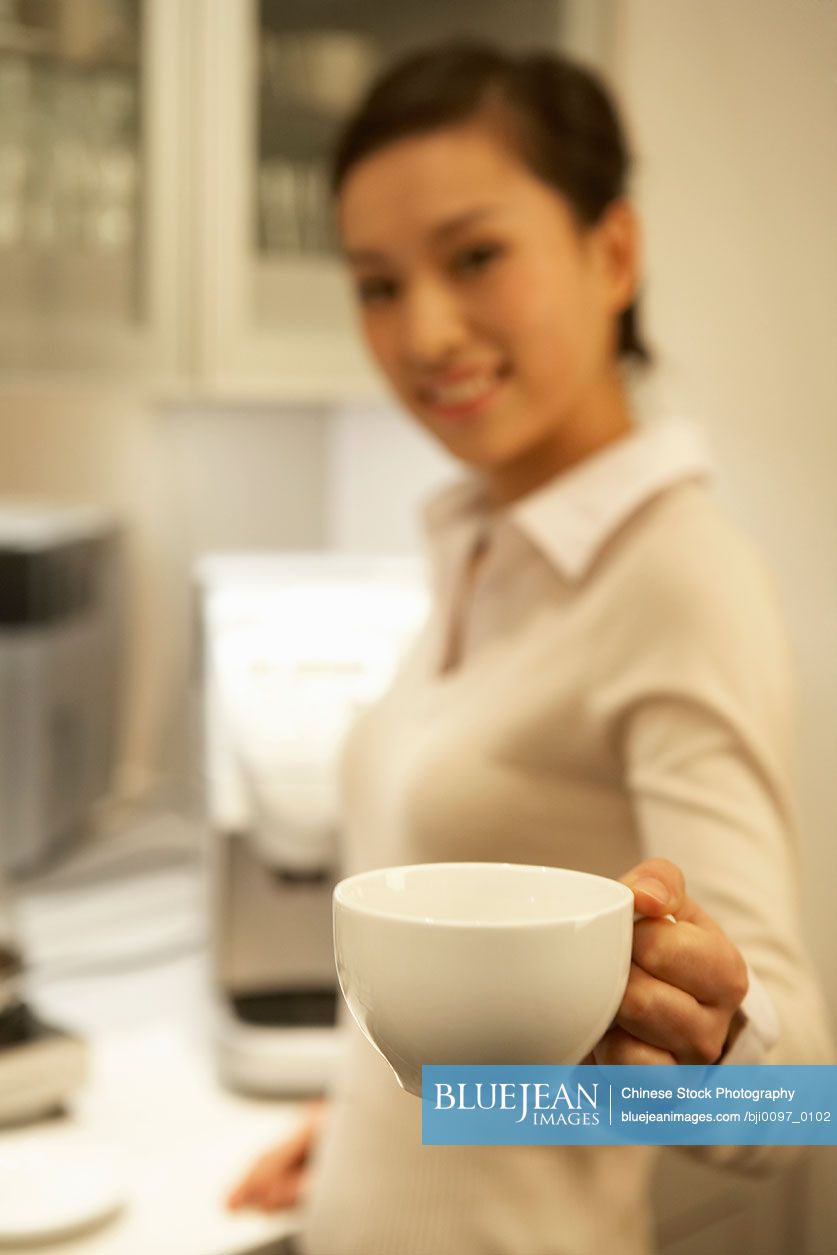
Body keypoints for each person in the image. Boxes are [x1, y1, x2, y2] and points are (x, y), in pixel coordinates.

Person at [226, 40, 834, 1254]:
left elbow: (794, 1098)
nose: (424, 330)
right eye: (378, 283)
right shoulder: (490, 544)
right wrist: (368, 1117)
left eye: (475, 256)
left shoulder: (675, 574)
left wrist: (716, 1033)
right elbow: (483, 1013)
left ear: (613, 253)